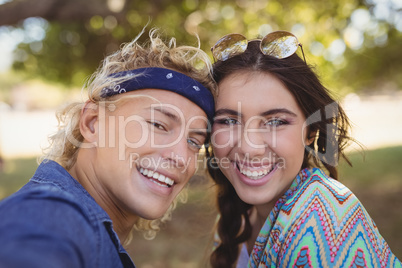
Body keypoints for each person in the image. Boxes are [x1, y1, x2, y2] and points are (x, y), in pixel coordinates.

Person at [0, 28, 215, 268]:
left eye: (194, 142)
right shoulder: (47, 215)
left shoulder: (96, 236)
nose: (181, 157)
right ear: (93, 123)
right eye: (158, 125)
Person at [207, 31, 401, 267]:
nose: (250, 147)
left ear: (310, 132)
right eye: (229, 121)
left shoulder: (323, 222)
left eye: (276, 122)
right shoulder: (234, 220)